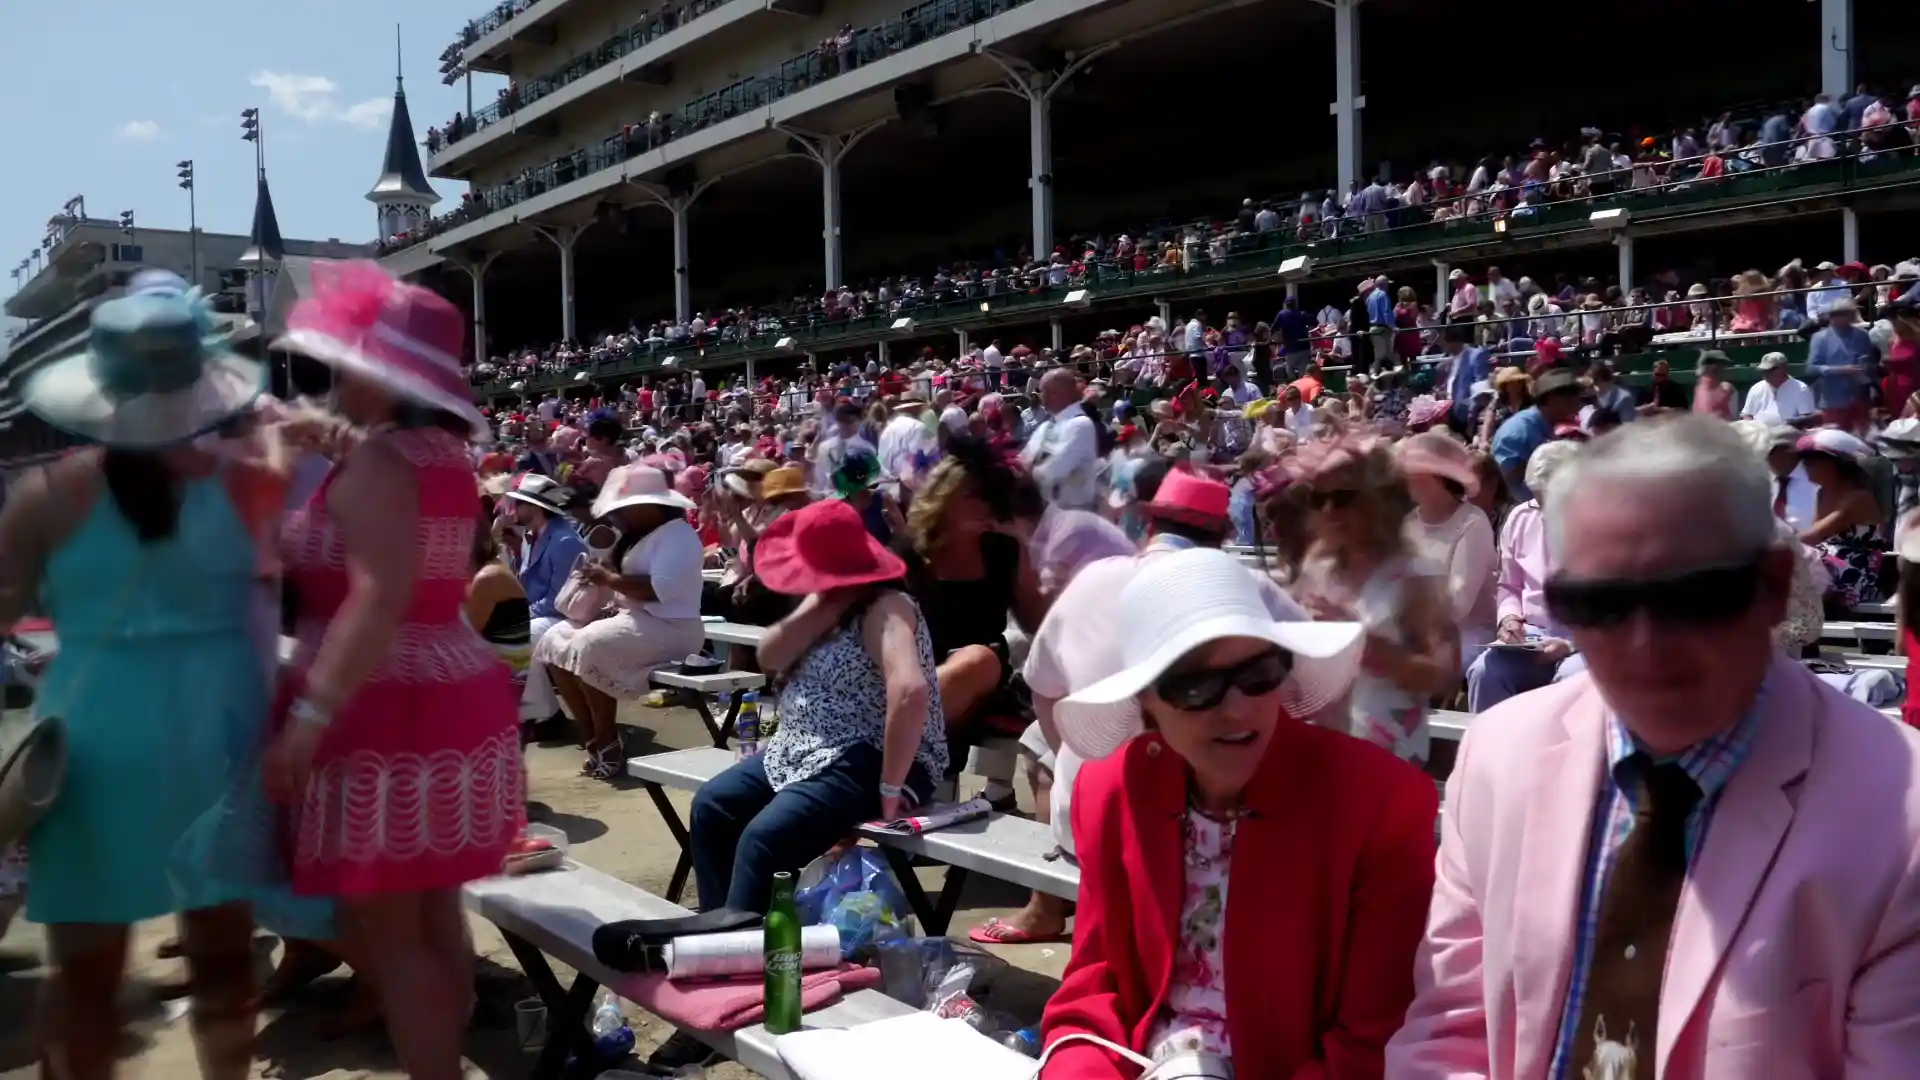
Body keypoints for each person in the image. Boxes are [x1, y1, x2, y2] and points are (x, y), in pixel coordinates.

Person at [1389, 415, 1920, 1080]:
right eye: (1599, 602)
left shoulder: (1905, 822)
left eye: (1695, 596)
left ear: (1776, 585)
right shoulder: (1499, 756)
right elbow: (1451, 1031)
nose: (1647, 645)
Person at [0, 288, 278, 1080]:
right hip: (220, 738)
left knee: (86, 985)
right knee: (224, 968)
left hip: (93, 743)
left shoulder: (44, 496)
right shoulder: (252, 484)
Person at [1040, 548, 1437, 1078]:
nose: (1238, 708)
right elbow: (1094, 986)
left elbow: (1372, 1038)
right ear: (1147, 701)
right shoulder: (1112, 789)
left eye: (1259, 673)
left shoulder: (1380, 802)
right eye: (1195, 686)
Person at [268, 260, 521, 1080]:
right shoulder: (441, 455)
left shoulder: (381, 464)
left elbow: (374, 600)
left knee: (397, 934)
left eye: (345, 359)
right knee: (436, 921)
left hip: (384, 704)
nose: (331, 373)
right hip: (452, 688)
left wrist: (306, 724)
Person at [1289, 433, 1459, 766]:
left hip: (1386, 762)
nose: (1328, 509)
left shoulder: (1416, 576)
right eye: (1318, 498)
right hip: (1320, 755)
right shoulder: (1317, 567)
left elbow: (1442, 677)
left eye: (1343, 498)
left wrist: (1365, 645)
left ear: (1378, 501)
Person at [537, 465, 705, 778]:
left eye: (627, 506)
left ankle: (606, 738)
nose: (621, 513)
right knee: (553, 639)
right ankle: (595, 740)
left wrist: (610, 579)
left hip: (673, 629)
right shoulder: (638, 533)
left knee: (592, 644)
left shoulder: (679, 537)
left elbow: (659, 590)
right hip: (635, 619)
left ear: (652, 504)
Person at [1466, 439, 1587, 712]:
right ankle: (1487, 753)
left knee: (1572, 680)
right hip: (1532, 636)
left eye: (1551, 501)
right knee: (1485, 672)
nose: (1542, 511)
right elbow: (1508, 585)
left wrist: (1571, 644)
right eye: (1537, 499)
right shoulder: (1521, 516)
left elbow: (1618, 608)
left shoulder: (1606, 523)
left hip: (1587, 641)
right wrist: (1509, 619)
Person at [1400, 432, 1498, 674]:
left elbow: (1458, 604)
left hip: (1465, 636)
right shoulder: (1408, 522)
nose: (1405, 480)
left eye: (1414, 474)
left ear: (1437, 478)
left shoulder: (1472, 522)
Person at [500, 473, 587, 723]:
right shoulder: (533, 536)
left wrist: (520, 614)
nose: (514, 509)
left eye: (520, 504)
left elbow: (558, 599)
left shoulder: (564, 541)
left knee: (521, 634)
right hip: (545, 613)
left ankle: (544, 715)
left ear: (535, 508)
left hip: (565, 615)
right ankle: (541, 713)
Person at [1021, 368, 1102, 509]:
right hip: (1049, 512)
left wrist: (1026, 473)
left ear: (1056, 394)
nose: (1041, 397)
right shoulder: (1047, 425)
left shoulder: (1081, 425)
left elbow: (1051, 472)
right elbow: (1024, 459)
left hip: (1075, 514)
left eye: (1042, 392)